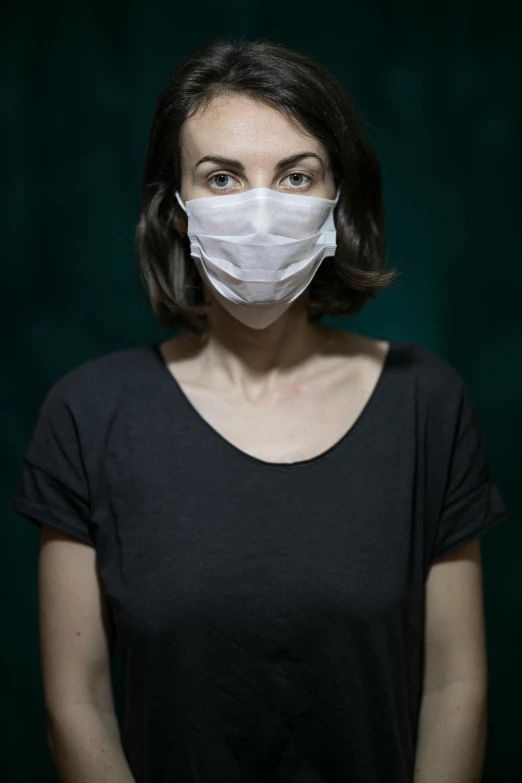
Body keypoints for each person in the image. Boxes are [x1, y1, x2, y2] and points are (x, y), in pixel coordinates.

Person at [12, 38, 509, 783]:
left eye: (296, 174)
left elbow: (455, 686)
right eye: (222, 177)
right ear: (176, 209)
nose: (260, 210)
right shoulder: (89, 414)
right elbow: (76, 704)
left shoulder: (426, 402)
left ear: (336, 200)